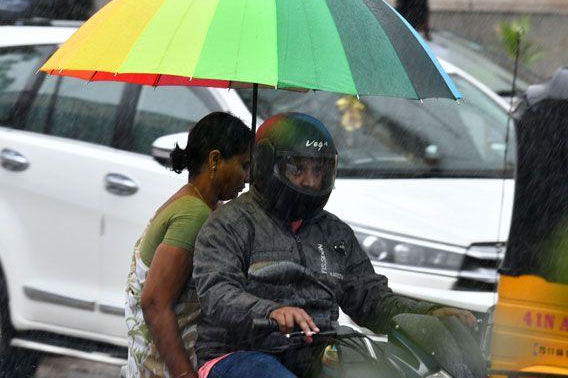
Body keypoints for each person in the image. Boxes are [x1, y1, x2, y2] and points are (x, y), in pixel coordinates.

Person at [192, 112, 476, 378]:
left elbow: (371, 297)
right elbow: (217, 293)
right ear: (269, 164)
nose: (311, 181)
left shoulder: (335, 233)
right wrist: (270, 311)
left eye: (319, 170)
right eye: (297, 168)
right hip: (238, 352)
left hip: (314, 348)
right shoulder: (229, 224)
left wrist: (426, 313)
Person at [124, 112, 253, 378]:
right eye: (243, 165)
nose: (247, 177)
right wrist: (184, 374)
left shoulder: (195, 204)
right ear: (215, 160)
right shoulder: (194, 215)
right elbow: (155, 302)